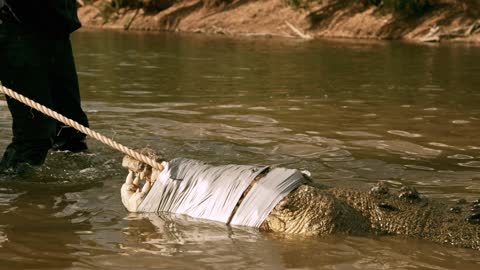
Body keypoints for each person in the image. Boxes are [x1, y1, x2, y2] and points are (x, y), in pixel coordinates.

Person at [0, 0, 89, 172]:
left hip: (56, 27)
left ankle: (72, 190)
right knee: (35, 136)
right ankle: (19, 192)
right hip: (15, 29)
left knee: (71, 128)